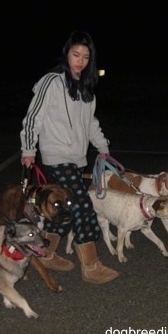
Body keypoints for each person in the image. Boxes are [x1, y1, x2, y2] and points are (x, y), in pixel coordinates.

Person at [20, 30, 119, 284]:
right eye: (76, 54)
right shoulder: (52, 82)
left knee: (64, 207)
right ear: (67, 53)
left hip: (76, 158)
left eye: (86, 57)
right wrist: (29, 149)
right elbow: (34, 117)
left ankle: (46, 253)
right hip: (55, 156)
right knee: (82, 206)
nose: (80, 61)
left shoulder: (86, 89)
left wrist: (102, 146)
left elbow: (90, 122)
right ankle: (91, 267)